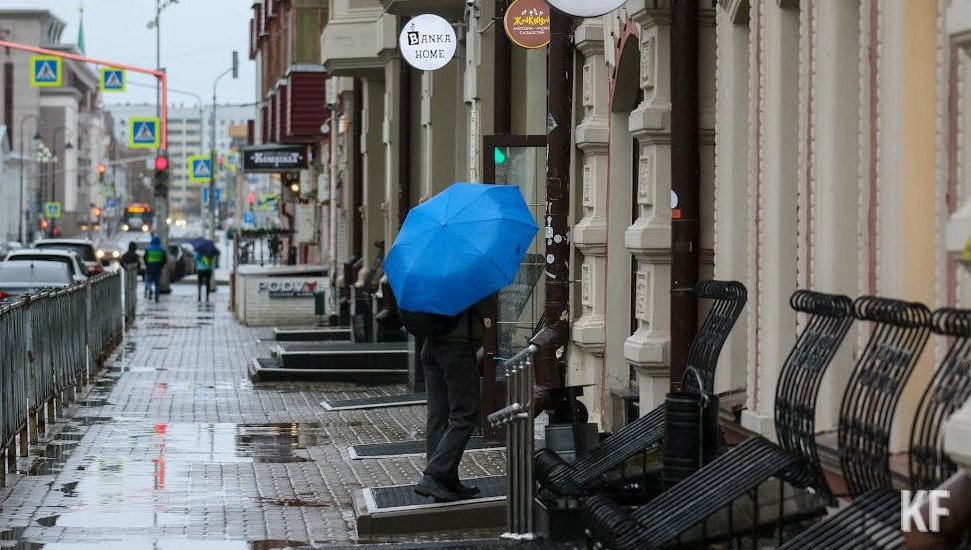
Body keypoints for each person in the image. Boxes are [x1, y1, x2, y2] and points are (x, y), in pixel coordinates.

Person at [414, 299, 488, 502]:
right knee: (463, 417)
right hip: (457, 349)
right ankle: (436, 475)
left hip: (430, 347)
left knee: (438, 416)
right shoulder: (464, 274)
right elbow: (486, 307)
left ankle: (446, 481)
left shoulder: (431, 273)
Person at [143, 235, 167, 302]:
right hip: (158, 267)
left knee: (149, 281)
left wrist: (147, 265)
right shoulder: (162, 250)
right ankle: (157, 297)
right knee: (157, 283)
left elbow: (145, 258)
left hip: (150, 266)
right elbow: (164, 260)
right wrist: (161, 266)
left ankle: (150, 289)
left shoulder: (148, 249)